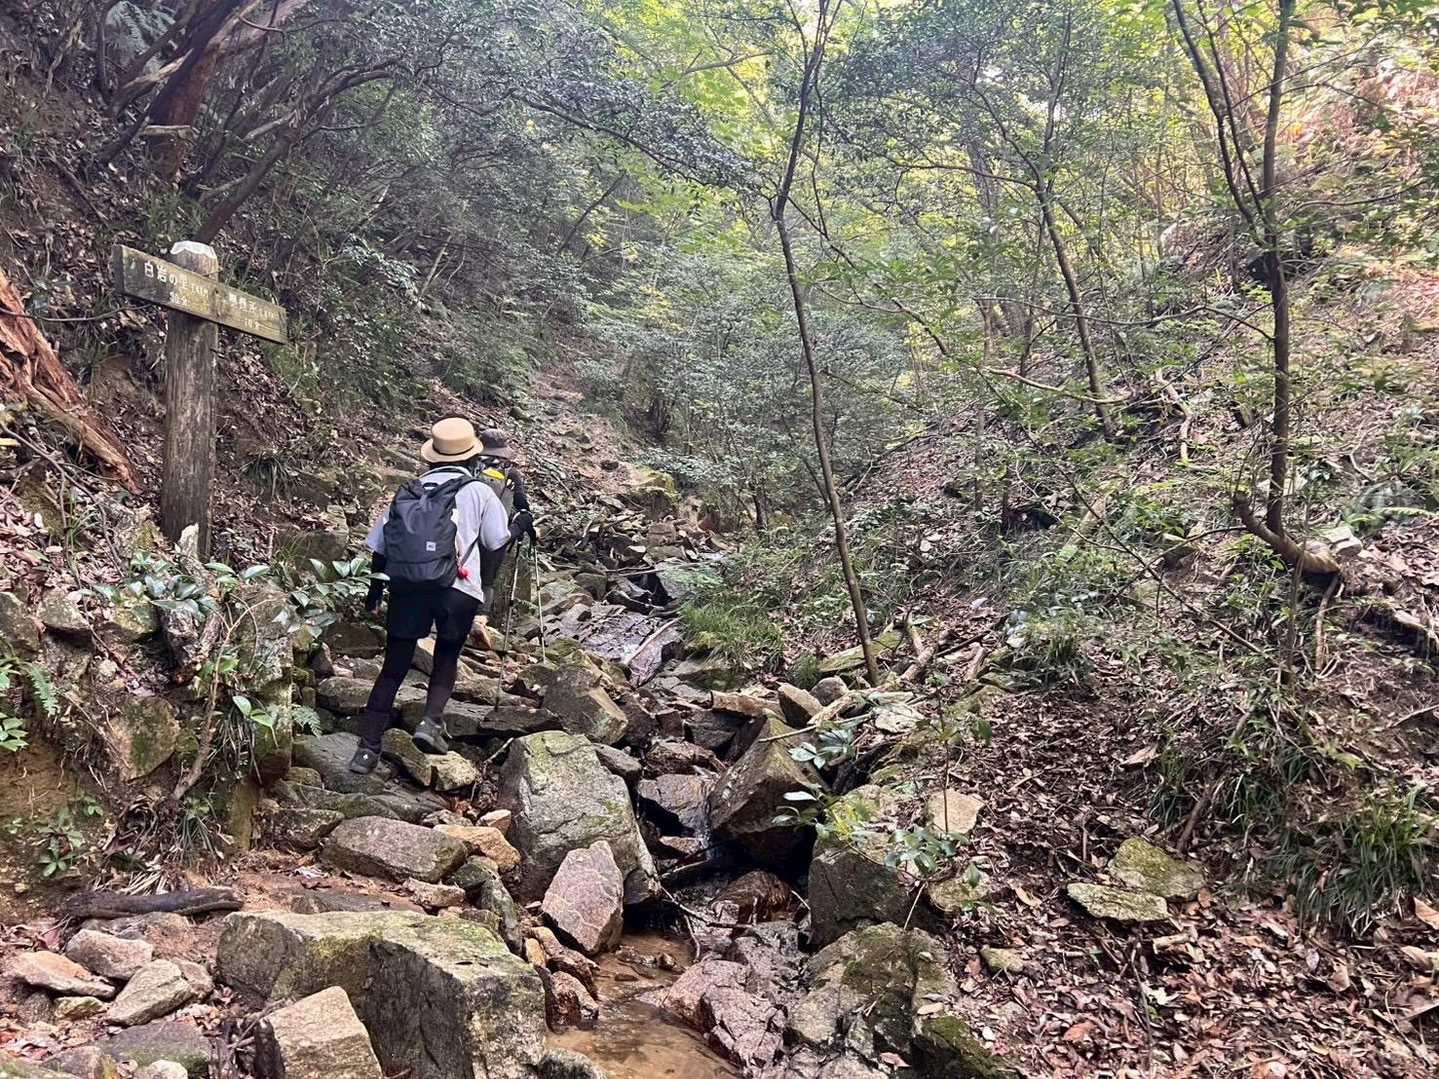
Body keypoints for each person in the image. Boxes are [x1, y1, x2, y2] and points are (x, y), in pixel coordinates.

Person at [348, 417, 533, 774]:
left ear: (432, 456)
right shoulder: (479, 491)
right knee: (446, 656)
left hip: (408, 586)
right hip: (458, 588)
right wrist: (519, 525)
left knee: (392, 669)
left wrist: (374, 594)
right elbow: (495, 540)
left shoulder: (409, 490)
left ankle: (366, 750)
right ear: (472, 456)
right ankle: (430, 724)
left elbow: (379, 548)